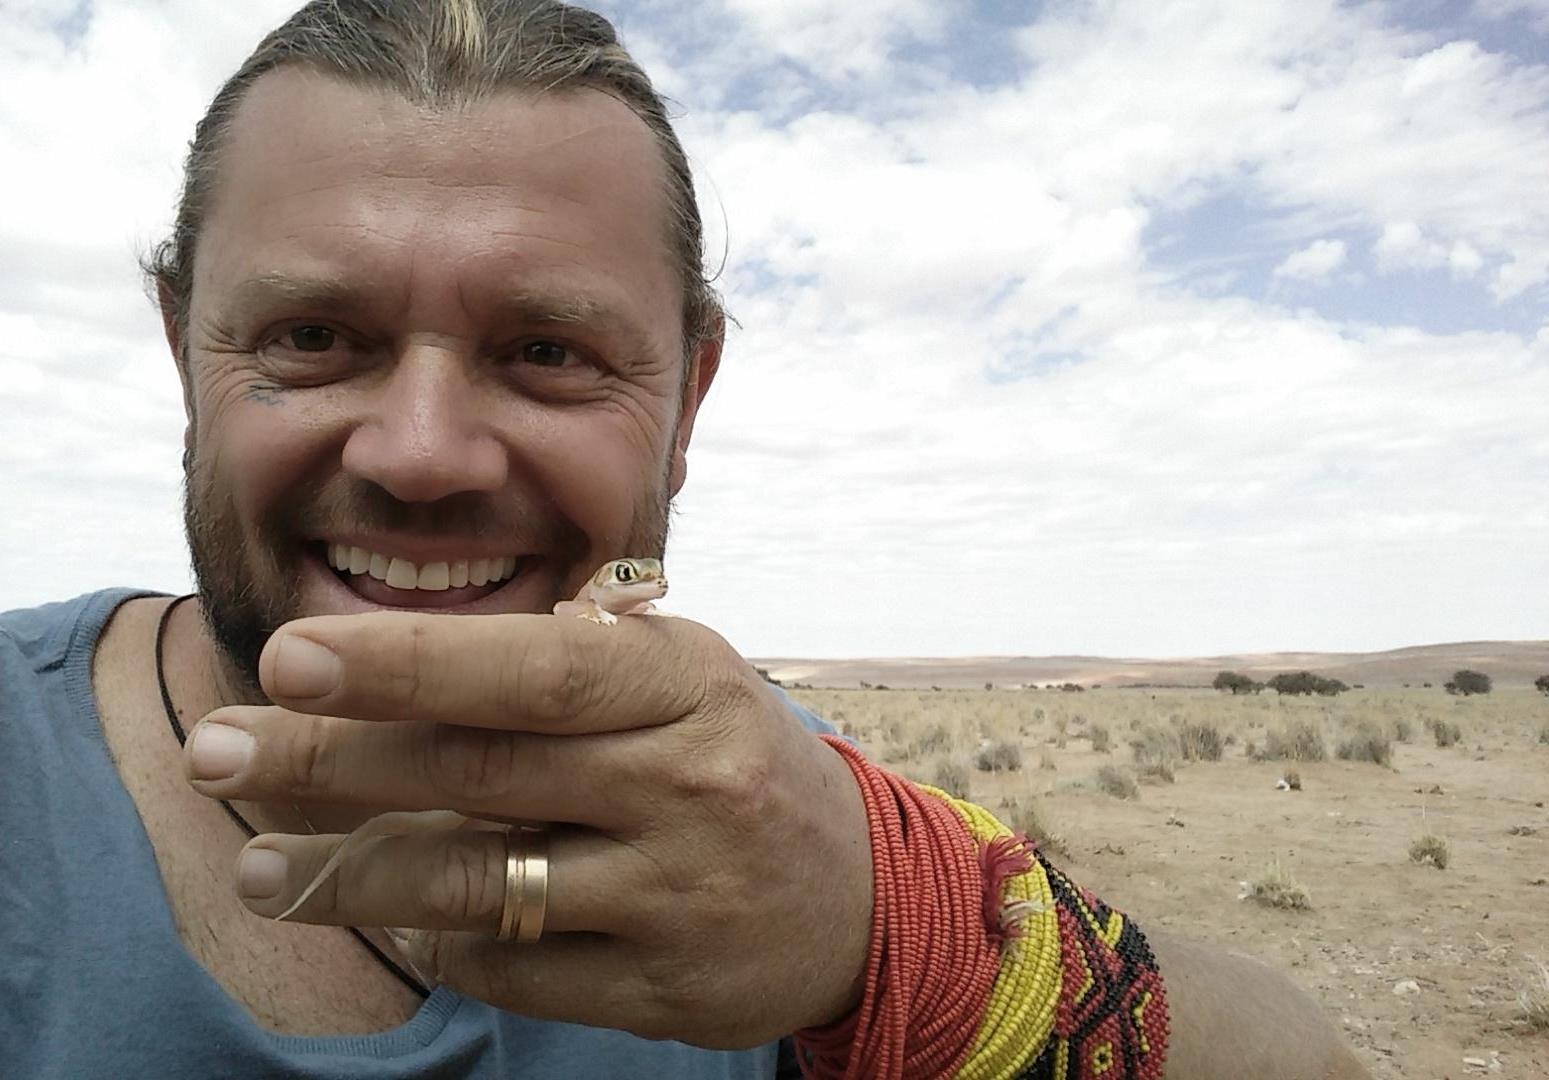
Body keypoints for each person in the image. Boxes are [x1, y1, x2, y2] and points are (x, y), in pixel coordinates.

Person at [0, 2, 1373, 1077]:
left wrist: (886, 931)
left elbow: (1300, 1055)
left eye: (546, 350)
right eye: (311, 338)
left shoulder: (772, 803)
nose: (420, 453)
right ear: (185, 351)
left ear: (685, 399)